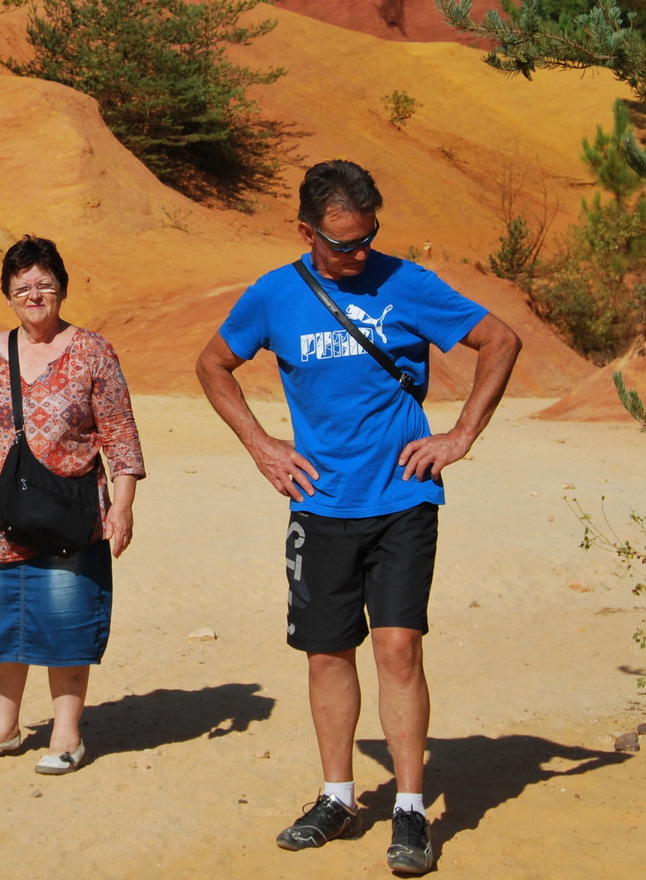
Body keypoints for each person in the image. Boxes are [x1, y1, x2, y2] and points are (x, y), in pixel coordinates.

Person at [194, 160, 521, 876]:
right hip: (320, 504)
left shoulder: (405, 283)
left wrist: (460, 435)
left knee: (399, 649)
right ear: (306, 231)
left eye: (369, 236)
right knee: (327, 652)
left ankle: (408, 808)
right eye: (343, 242)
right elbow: (214, 363)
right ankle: (338, 796)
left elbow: (500, 339)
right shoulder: (275, 295)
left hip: (402, 498)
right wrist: (263, 446)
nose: (360, 253)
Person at [0, 235, 145, 776]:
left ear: (62, 290)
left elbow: (120, 435)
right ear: (7, 295)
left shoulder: (92, 350)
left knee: (67, 619)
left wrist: (121, 507)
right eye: (22, 286)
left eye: (44, 285)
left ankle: (67, 734)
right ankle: (3, 729)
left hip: (70, 511)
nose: (33, 294)